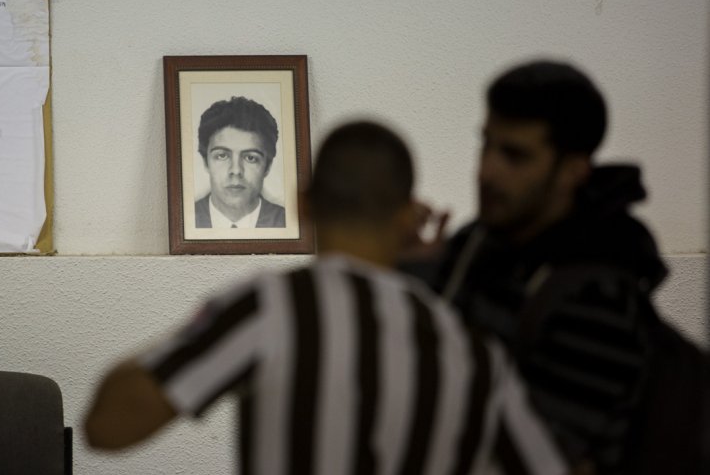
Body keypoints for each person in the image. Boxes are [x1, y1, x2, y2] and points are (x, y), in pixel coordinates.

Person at [84, 120, 567, 475]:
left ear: (302, 204)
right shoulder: (470, 344)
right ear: (406, 217)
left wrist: (204, 327)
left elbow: (106, 428)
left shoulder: (267, 307)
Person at [416, 61, 702, 474]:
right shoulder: (477, 242)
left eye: (514, 155)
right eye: (486, 145)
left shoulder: (597, 296)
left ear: (572, 171)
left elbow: (546, 460)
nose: (486, 170)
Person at [194, 96, 285, 228]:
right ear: (205, 162)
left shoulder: (288, 224)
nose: (236, 170)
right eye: (222, 156)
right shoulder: (186, 220)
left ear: (267, 166)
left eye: (250, 158)